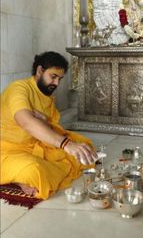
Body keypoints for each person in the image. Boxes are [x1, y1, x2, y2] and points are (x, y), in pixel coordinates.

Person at [0, 51, 98, 200]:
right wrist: (66, 144)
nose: (57, 83)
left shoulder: (47, 95)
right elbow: (26, 122)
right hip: (8, 152)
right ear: (40, 71)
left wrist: (45, 121)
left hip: (37, 147)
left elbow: (50, 129)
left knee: (85, 147)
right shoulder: (18, 89)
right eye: (53, 77)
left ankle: (42, 171)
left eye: (60, 79)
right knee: (35, 171)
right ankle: (19, 178)